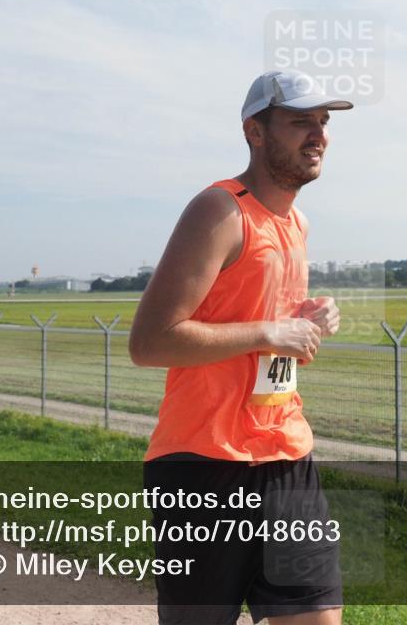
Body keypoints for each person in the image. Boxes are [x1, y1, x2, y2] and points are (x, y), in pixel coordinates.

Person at [129, 69, 353, 625]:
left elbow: (262, 323)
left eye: (323, 122)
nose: (318, 134)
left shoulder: (296, 222)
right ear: (255, 132)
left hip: (285, 454)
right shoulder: (220, 210)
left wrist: (307, 321)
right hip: (205, 464)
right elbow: (151, 341)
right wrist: (268, 332)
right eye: (301, 121)